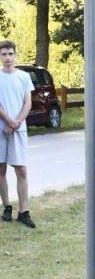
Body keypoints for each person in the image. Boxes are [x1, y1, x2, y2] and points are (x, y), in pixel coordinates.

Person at [0, 40, 35, 228]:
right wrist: (8, 121)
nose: (7, 58)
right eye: (4, 54)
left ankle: (24, 211)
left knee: (21, 170)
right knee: (1, 169)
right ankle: (6, 207)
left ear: (15, 55)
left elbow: (27, 103)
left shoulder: (23, 77)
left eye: (10, 54)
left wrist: (15, 123)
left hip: (17, 129)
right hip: (1, 128)